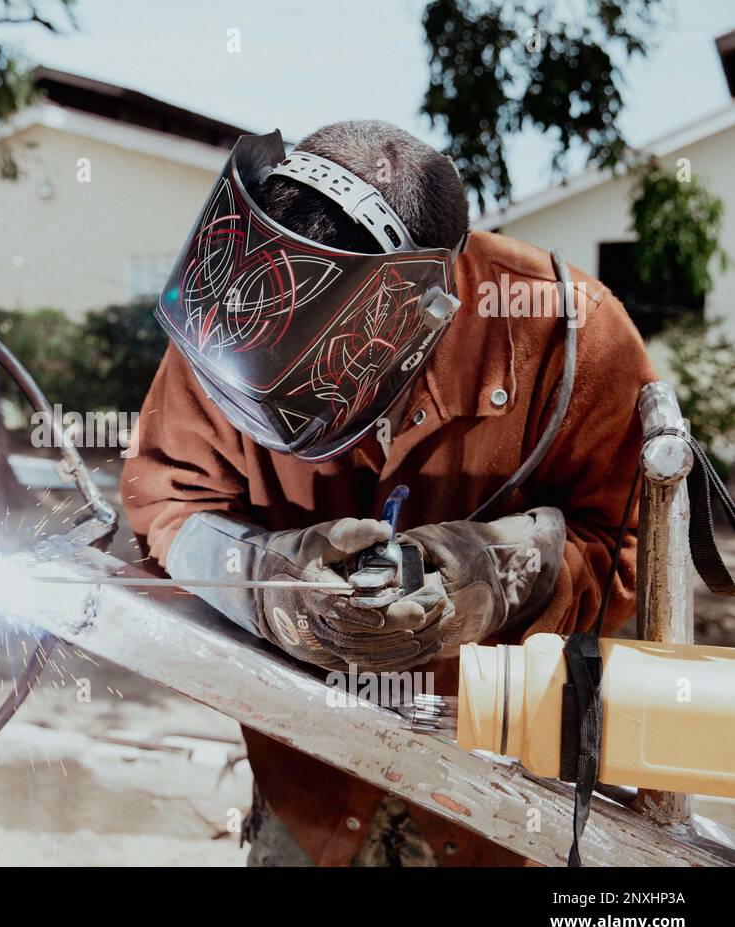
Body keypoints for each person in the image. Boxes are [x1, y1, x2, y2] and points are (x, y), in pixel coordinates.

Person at [122, 120, 654, 866]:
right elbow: (165, 502)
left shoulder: (570, 336)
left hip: (499, 805)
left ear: (423, 311)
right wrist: (266, 581)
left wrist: (502, 574)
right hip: (307, 788)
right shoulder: (234, 311)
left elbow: (628, 550)